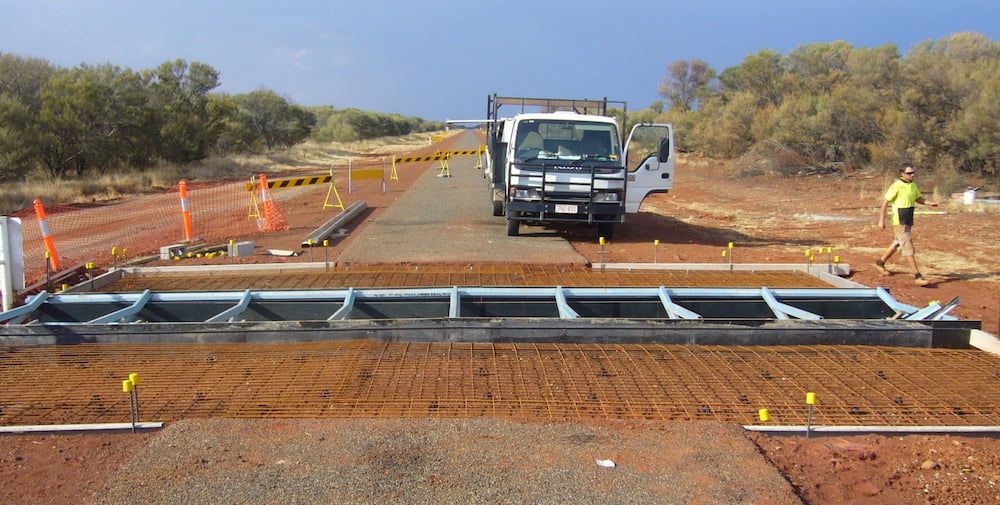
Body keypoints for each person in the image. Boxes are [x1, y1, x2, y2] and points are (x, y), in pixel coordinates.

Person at [874, 165, 938, 286]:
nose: (912, 175)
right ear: (902, 174)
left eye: (913, 173)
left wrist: (930, 203)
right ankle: (917, 276)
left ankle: (880, 262)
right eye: (909, 173)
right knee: (908, 246)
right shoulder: (897, 185)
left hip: (908, 219)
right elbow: (885, 202)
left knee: (898, 242)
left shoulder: (912, 185)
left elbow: (919, 199)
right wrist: (881, 220)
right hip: (899, 220)